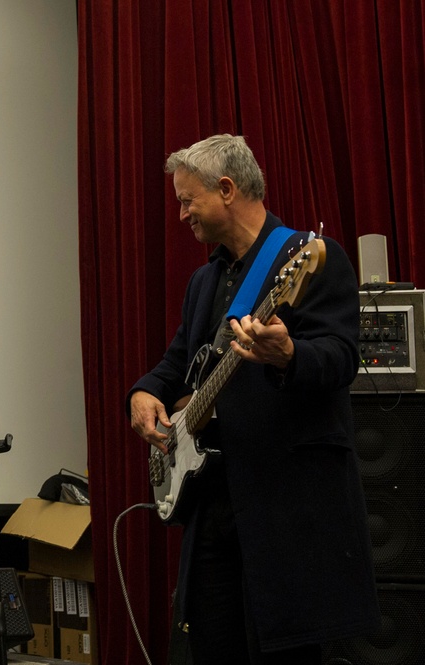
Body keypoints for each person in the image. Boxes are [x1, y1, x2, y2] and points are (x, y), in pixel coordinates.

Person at [127, 134, 380, 664]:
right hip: (215, 503)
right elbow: (178, 362)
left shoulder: (311, 258)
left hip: (287, 507)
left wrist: (289, 353)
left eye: (186, 200)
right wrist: (146, 391)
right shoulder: (204, 280)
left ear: (225, 189)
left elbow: (341, 359)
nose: (180, 215)